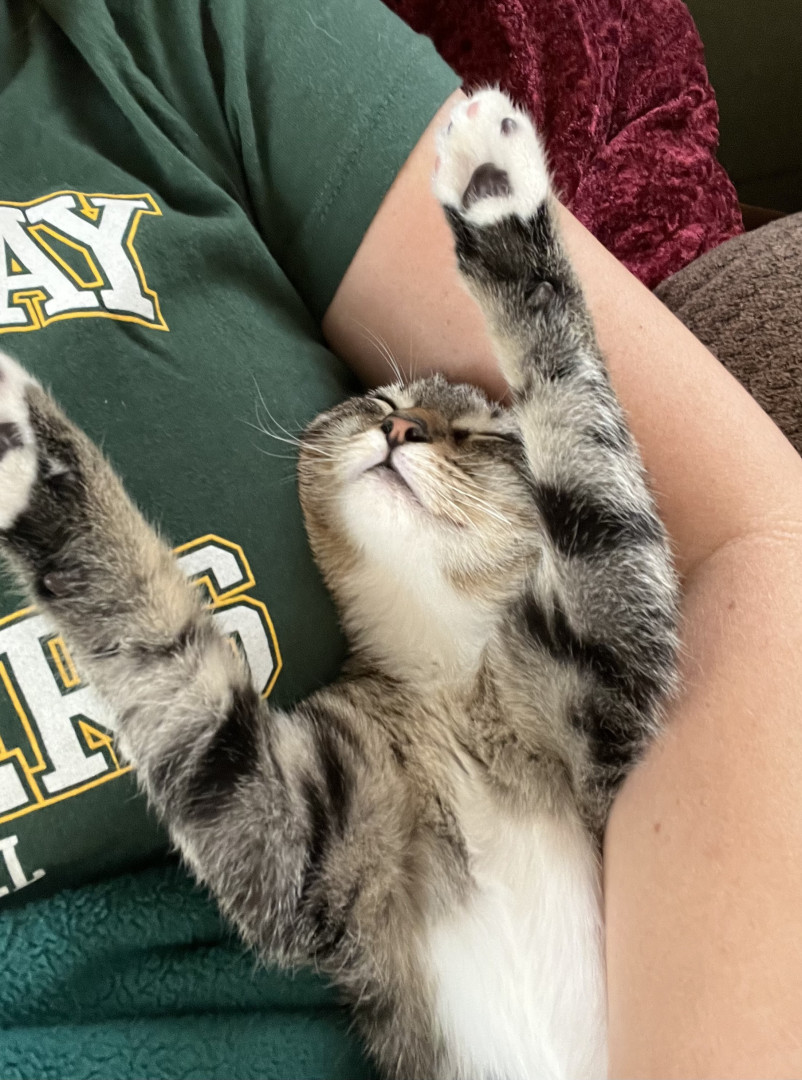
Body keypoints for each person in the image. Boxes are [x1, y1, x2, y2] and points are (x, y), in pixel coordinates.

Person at [1, 2, 801, 1078]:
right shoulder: (358, 746)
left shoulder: (557, 691)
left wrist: (526, 292)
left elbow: (641, 549)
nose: (403, 431)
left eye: (469, 440)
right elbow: (246, 822)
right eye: (376, 414)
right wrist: (62, 512)